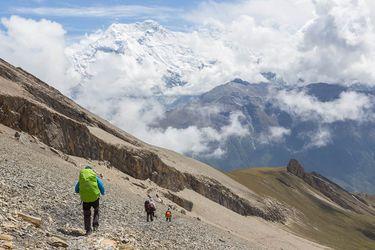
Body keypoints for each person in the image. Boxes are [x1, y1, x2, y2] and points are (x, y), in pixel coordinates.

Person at [75, 165, 105, 235]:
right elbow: (101, 185)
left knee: (86, 214)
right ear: (91, 170)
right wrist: (103, 193)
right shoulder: (94, 176)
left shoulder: (82, 178)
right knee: (96, 210)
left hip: (85, 199)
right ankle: (95, 226)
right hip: (95, 197)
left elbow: (76, 190)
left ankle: (88, 230)